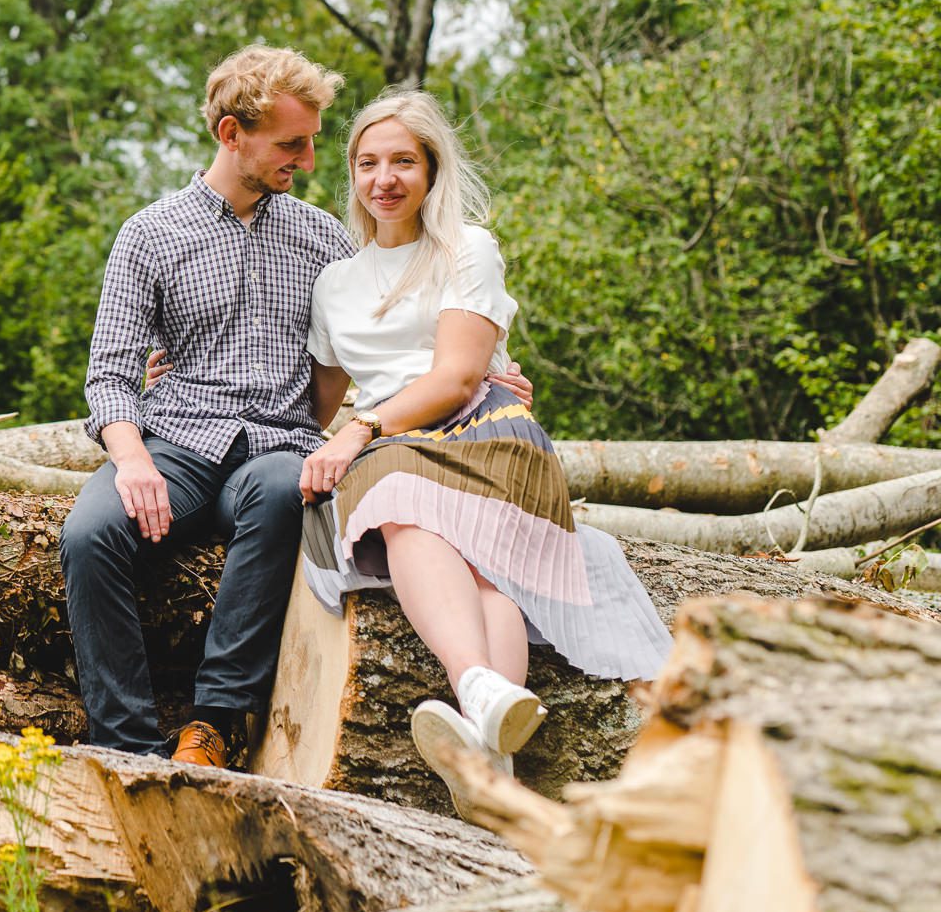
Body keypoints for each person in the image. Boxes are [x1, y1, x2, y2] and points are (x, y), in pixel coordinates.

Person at [64, 46, 529, 765]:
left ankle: (214, 725)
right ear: (231, 135)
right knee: (90, 534)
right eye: (292, 142)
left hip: (282, 442)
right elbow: (110, 374)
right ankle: (123, 744)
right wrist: (130, 458)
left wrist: (492, 371)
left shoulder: (323, 241)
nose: (310, 158)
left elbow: (390, 333)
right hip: (176, 442)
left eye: (312, 140)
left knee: (284, 490)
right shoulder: (148, 235)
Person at [298, 88, 671, 813]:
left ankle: (471, 684)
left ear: (432, 169)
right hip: (393, 443)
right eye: (368, 163)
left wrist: (363, 426)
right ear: (352, 175)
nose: (385, 179)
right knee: (436, 529)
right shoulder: (335, 283)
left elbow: (459, 375)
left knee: (428, 514)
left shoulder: (467, 248)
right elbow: (312, 402)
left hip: (481, 427)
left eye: (403, 160)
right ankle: (492, 751)